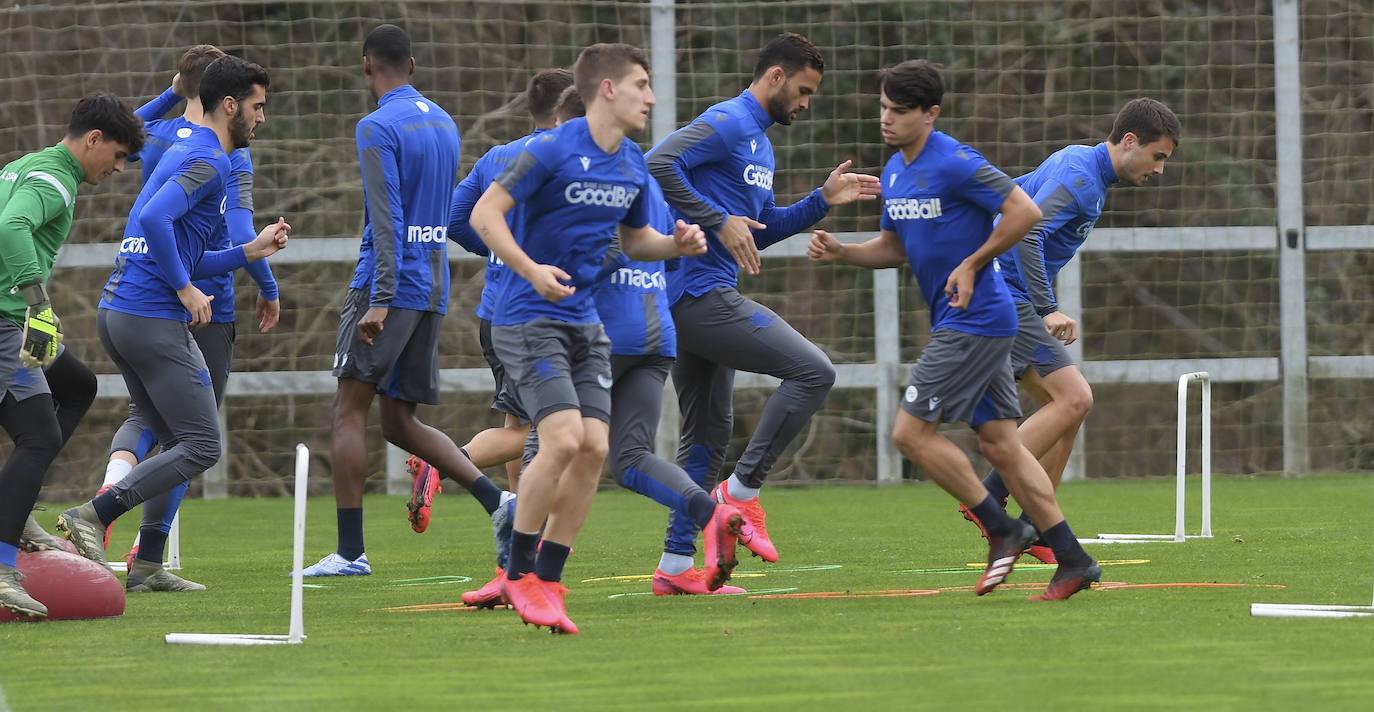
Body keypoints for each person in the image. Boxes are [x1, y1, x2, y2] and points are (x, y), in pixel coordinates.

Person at [807, 60, 1099, 601]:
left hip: (979, 319)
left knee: (908, 434)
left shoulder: (958, 162)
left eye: (899, 111)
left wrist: (974, 262)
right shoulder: (894, 171)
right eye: (883, 108)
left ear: (931, 114)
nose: (886, 120)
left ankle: (1002, 527)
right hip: (961, 320)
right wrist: (843, 251)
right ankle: (1074, 560)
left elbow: (1024, 212)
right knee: (1002, 445)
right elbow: (895, 248)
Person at [469, 43, 708, 633]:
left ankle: (549, 580)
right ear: (607, 89)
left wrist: (675, 244)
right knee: (562, 438)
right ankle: (520, 572)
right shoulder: (550, 150)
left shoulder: (629, 162)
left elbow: (634, 242)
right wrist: (530, 269)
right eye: (642, 85)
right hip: (527, 318)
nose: (651, 97)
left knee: (596, 450)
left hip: (585, 323)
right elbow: (483, 216)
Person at [57, 56, 289, 595]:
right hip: (148, 315)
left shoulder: (180, 148)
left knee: (164, 433)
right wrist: (185, 290)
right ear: (229, 105)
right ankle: (94, 514)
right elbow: (154, 220)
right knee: (202, 445)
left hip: (120, 311)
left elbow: (179, 250)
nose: (262, 119)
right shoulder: (209, 160)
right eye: (257, 107)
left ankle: (146, 565)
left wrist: (249, 251)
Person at [646, 32, 881, 563]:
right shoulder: (728, 121)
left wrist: (822, 201)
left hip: (701, 298)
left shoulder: (760, 143)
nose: (804, 104)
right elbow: (658, 163)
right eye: (802, 91)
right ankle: (742, 493)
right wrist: (715, 218)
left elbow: (761, 228)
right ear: (775, 77)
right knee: (814, 371)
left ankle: (677, 564)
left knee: (708, 434)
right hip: (695, 296)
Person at [310, 23, 493, 577]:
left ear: (367, 65)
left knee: (348, 412)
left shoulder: (375, 126)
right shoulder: (444, 122)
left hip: (386, 288)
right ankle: (499, 504)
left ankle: (349, 554)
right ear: (410, 66)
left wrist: (380, 298)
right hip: (433, 286)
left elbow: (388, 217)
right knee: (398, 421)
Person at [963, 98, 1180, 562]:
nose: (1159, 171)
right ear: (1128, 142)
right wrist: (1048, 308)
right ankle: (987, 499)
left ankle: (1037, 523)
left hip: (998, 289)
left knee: (1067, 408)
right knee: (1076, 397)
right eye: (1157, 157)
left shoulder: (1078, 163)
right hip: (1004, 293)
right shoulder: (1081, 178)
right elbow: (1028, 232)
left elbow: (1015, 197)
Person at [404, 68, 575, 542]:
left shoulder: (497, 157)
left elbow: (457, 221)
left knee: (519, 423)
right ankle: (442, 461)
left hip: (494, 309)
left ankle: (525, 531)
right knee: (560, 427)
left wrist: (500, 252)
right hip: (535, 312)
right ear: (568, 110)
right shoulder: (566, 159)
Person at [0, 94, 143, 618]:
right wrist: (36, 304)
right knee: (38, 435)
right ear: (93, 142)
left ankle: (13, 508)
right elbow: (9, 228)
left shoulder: (33, 163)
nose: (120, 169)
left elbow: (122, 129)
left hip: (15, 317)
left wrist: (179, 92)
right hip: (7, 320)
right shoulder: (54, 183)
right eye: (119, 156)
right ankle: (2, 564)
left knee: (78, 385)